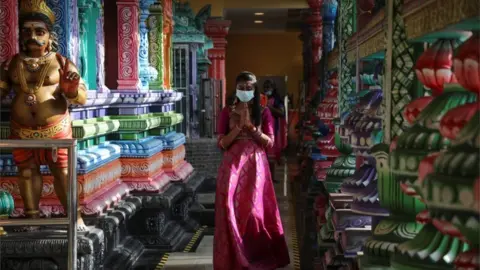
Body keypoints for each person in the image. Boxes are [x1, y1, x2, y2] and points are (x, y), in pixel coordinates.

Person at [0, 0, 88, 230]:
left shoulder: (61, 62)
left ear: (50, 37)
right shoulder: (12, 63)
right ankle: (32, 218)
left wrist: (71, 90)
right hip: (21, 128)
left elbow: (81, 97)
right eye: (27, 31)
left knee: (63, 172)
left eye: (40, 32)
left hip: (56, 128)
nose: (33, 36)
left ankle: (74, 215)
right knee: (27, 172)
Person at [213, 72, 290, 270]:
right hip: (232, 167)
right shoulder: (226, 112)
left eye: (249, 88)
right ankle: (233, 259)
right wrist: (238, 128)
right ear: (235, 88)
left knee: (254, 212)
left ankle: (255, 256)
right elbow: (221, 144)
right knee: (230, 210)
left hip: (255, 165)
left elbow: (269, 142)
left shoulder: (263, 112)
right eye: (242, 87)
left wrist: (252, 128)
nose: (245, 91)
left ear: (255, 90)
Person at [263, 79, 286, 181]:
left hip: (273, 129)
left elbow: (281, 113)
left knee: (271, 155)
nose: (267, 89)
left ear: (273, 88)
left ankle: (271, 178)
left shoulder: (277, 99)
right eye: (266, 87)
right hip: (261, 129)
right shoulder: (260, 98)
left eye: (269, 87)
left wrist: (268, 107)